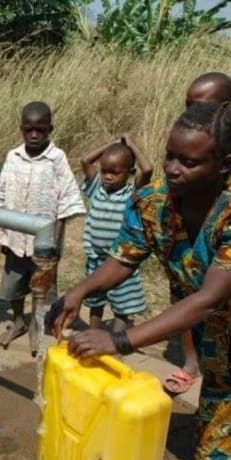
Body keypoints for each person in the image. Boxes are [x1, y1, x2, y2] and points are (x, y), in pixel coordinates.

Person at [52, 102, 231, 459]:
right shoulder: (154, 203)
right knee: (217, 429)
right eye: (169, 156)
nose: (173, 169)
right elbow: (122, 258)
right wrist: (79, 291)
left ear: (224, 164)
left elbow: (208, 298)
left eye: (189, 162)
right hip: (218, 342)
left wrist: (119, 341)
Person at [164, 72, 231, 393]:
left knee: (212, 304)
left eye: (198, 105)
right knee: (184, 296)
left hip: (218, 244)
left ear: (224, 107)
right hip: (184, 238)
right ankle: (192, 362)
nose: (189, 112)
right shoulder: (187, 143)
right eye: (187, 104)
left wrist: (122, 340)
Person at [0, 101, 85, 348]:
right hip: (15, 239)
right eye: (28, 129)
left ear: (49, 129)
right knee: (14, 285)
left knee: (41, 287)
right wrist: (3, 236)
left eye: (40, 129)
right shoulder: (13, 156)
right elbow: (2, 196)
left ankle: (36, 326)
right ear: (21, 128)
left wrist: (57, 240)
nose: (34, 134)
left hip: (44, 242)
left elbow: (66, 199)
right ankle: (19, 321)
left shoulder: (56, 158)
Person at [80, 135, 152, 333]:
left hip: (121, 262)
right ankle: (93, 337)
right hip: (95, 260)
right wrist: (110, 144)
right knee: (95, 303)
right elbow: (86, 160)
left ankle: (116, 343)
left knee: (122, 309)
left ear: (129, 173)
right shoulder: (97, 188)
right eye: (105, 171)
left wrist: (131, 144)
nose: (108, 176)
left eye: (115, 172)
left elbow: (147, 170)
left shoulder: (132, 194)